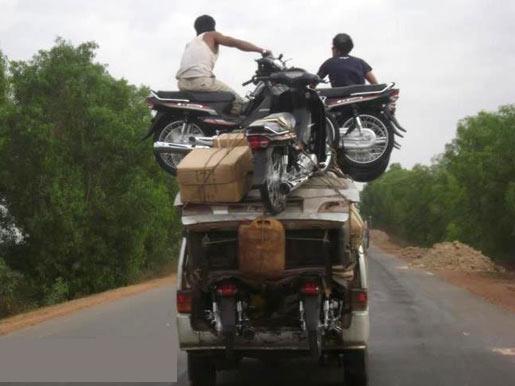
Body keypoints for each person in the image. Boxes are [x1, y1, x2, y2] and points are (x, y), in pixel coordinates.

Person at [176, 15, 271, 115]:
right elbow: (234, 42)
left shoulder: (191, 43)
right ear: (213, 26)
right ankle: (234, 128)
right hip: (201, 81)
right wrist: (262, 50)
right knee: (238, 102)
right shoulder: (211, 35)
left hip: (182, 83)